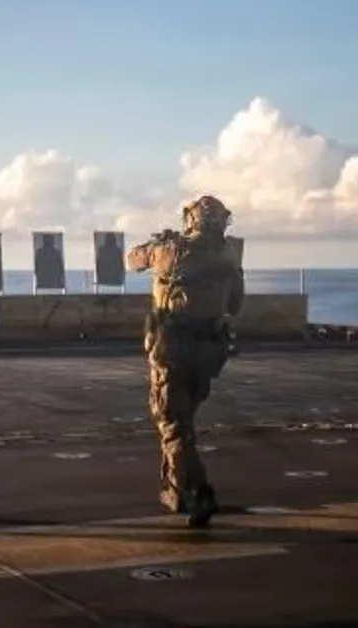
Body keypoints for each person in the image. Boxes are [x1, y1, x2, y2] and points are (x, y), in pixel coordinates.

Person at [126, 195, 244, 528]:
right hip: (208, 354)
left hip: (172, 351)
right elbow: (235, 305)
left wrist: (159, 242)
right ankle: (176, 491)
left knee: (171, 423)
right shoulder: (228, 256)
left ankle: (196, 493)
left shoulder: (171, 249)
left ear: (191, 219)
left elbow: (133, 259)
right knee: (182, 422)